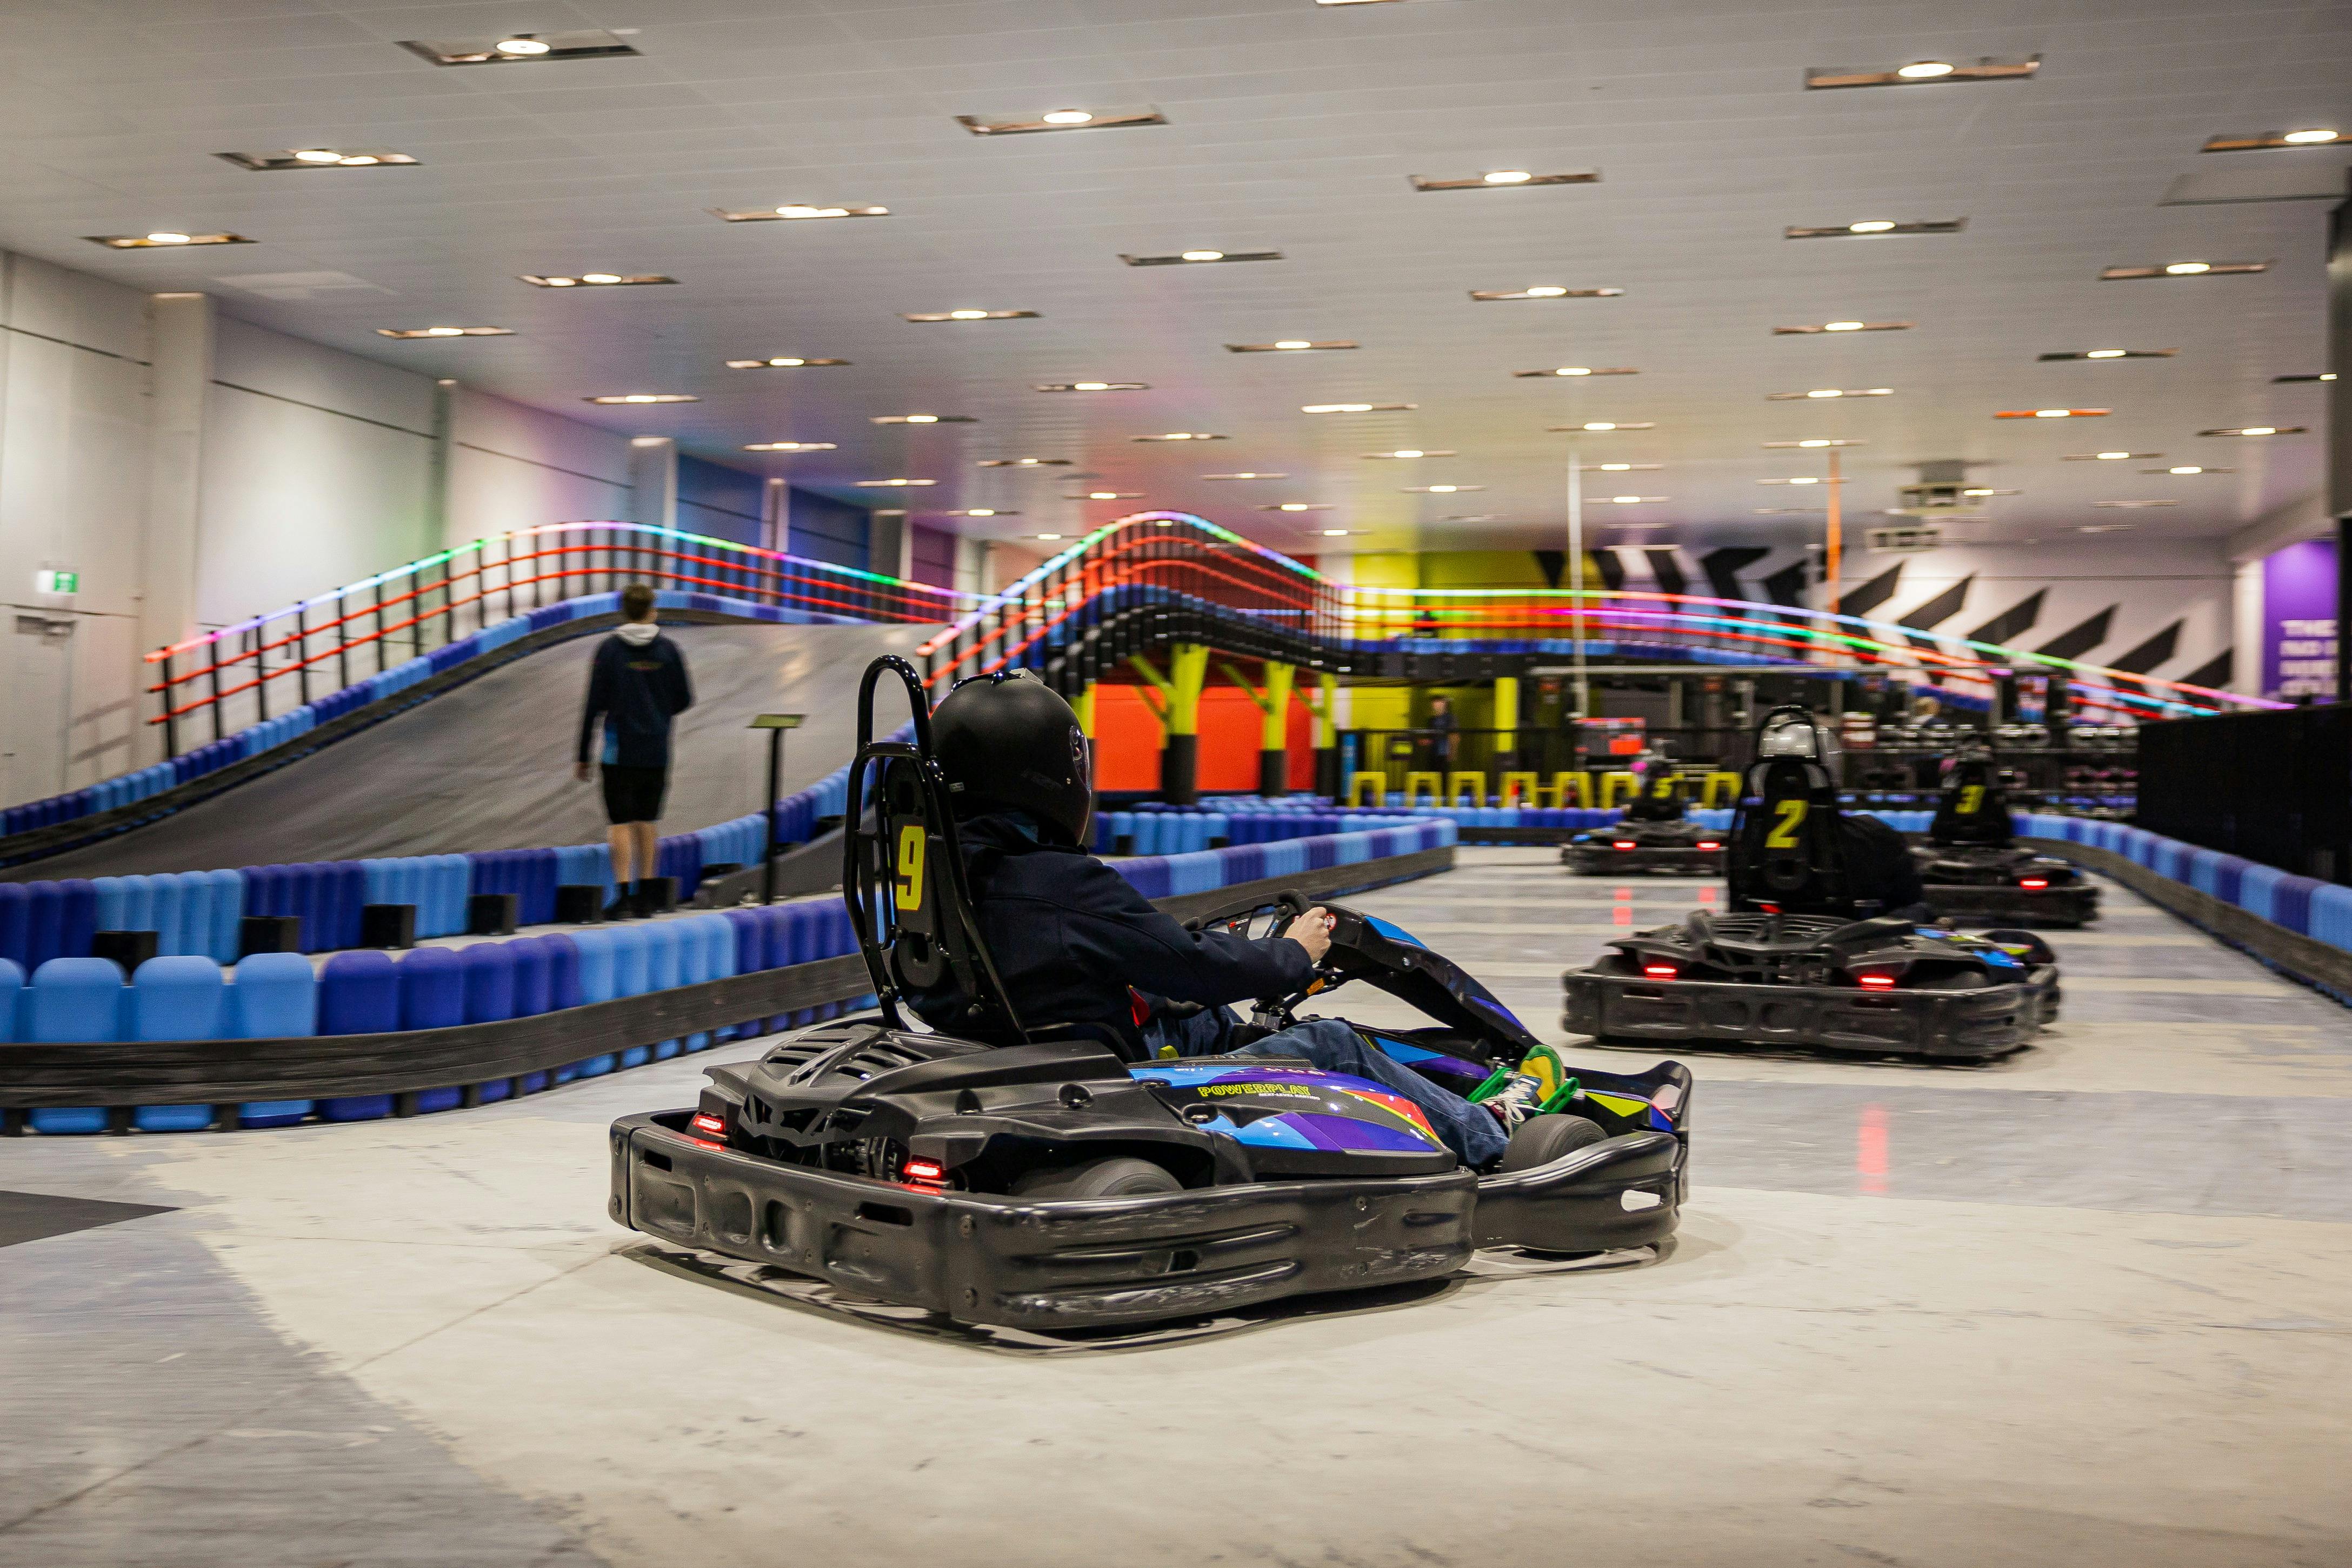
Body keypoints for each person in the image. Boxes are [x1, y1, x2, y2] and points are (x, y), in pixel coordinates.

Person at [908, 669, 1558, 1169]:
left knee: (1207, 1018)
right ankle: (1491, 1132)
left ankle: (1444, 1094)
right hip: (1113, 1077)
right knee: (1331, 1043)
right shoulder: (1055, 880)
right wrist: (1295, 953)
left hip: (1029, 1049)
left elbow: (1133, 960)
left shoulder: (939, 877)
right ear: (1051, 773)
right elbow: (1196, 967)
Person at [575, 584, 694, 918]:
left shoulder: (609, 650)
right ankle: (647, 897)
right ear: (652, 611)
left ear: (624, 611)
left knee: (620, 822)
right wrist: (657, 714)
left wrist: (583, 754)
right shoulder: (668, 650)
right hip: (656, 750)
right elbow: (685, 698)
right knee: (647, 820)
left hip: (619, 752)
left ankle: (624, 897)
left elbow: (593, 704)